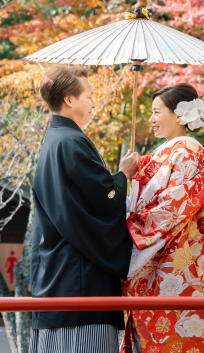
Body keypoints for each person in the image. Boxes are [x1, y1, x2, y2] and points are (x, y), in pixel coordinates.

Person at [30, 65, 140, 353]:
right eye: (89, 96)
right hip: (80, 281)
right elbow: (104, 201)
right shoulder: (72, 141)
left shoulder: (55, 140)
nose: (94, 103)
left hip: (57, 276)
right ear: (69, 99)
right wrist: (123, 175)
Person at [121, 83, 204, 353]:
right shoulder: (166, 152)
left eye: (156, 112)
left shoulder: (185, 152)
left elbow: (172, 208)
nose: (151, 120)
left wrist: (131, 222)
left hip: (169, 258)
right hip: (160, 257)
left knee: (170, 333)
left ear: (180, 116)